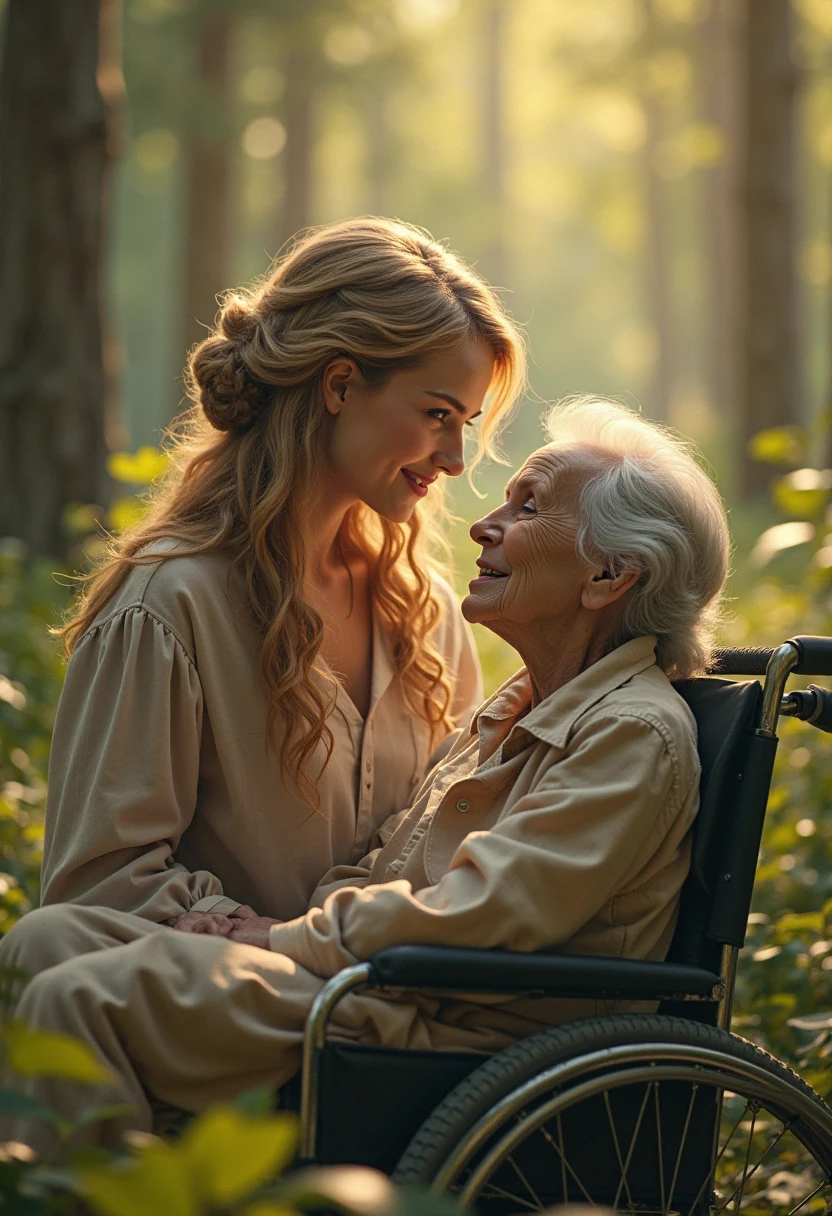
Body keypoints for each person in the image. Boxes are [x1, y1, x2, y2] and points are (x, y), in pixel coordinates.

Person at [1, 397, 730, 1150]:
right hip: (380, 985)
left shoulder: (633, 732)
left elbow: (486, 913)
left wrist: (282, 939)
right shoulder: (513, 714)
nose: (486, 522)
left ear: (609, 575)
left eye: (529, 506)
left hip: (451, 1031)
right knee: (44, 945)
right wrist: (256, 930)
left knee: (78, 999)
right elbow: (385, 860)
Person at [38, 217, 526, 931]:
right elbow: (97, 886)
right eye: (436, 415)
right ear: (339, 385)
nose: (455, 459)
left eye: (466, 424)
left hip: (389, 1020)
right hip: (210, 1016)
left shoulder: (425, 617)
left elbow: (452, 847)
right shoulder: (167, 609)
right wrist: (265, 943)